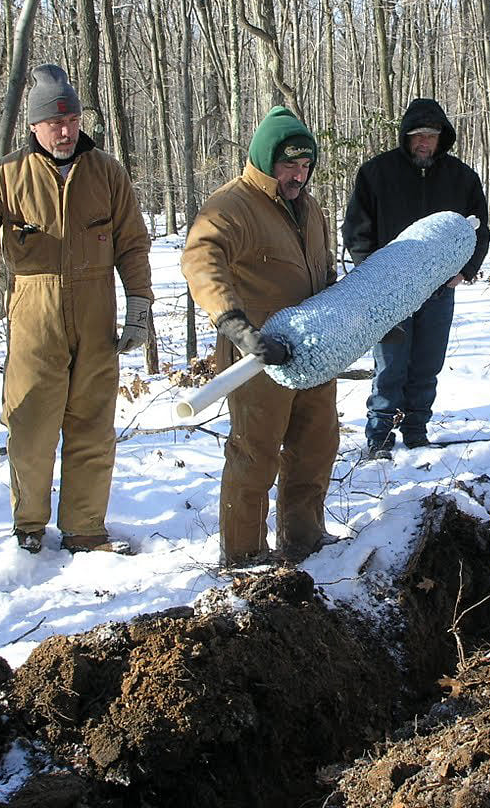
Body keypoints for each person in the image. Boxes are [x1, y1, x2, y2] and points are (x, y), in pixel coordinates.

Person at [0, 64, 153, 554]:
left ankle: (85, 529)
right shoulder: (6, 175)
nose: (65, 130)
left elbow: (133, 244)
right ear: (33, 126)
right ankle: (29, 526)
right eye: (54, 122)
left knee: (92, 427)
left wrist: (139, 301)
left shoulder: (106, 172)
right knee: (30, 425)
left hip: (96, 314)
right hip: (34, 316)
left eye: (72, 119)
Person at [181, 106, 339, 567]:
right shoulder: (231, 205)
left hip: (311, 348)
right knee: (256, 453)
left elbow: (323, 268)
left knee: (316, 443)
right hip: (258, 351)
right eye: (289, 164)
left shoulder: (309, 207)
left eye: (306, 165)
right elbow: (200, 259)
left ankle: (304, 538)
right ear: (266, 160)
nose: (299, 174)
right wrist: (234, 324)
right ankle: (244, 553)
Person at [341, 98, 490, 460]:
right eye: (417, 136)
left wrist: (465, 271)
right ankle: (379, 435)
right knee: (390, 363)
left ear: (443, 138)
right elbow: (357, 231)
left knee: (427, 363)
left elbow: (480, 230)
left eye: (431, 136)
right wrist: (370, 272)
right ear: (405, 137)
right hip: (390, 290)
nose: (424, 143)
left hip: (440, 287)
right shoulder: (376, 174)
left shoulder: (462, 178)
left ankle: (417, 430)